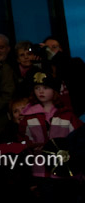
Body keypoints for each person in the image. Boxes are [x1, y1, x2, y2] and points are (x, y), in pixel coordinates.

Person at [19, 71, 83, 201]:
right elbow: (22, 141)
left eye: (46, 88)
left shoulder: (67, 116)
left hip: (66, 172)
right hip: (40, 171)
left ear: (54, 90)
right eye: (37, 88)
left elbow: (79, 141)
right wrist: (31, 148)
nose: (41, 91)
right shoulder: (28, 117)